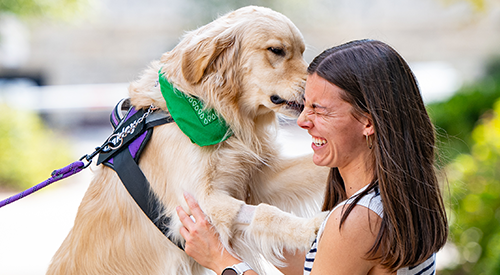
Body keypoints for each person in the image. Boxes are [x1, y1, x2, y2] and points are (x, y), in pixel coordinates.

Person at [176, 39, 448, 275]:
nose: (303, 121)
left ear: (368, 121)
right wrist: (244, 219)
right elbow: (322, 265)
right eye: (304, 105)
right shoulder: (395, 199)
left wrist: (221, 261)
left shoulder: (358, 220)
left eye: (319, 110)